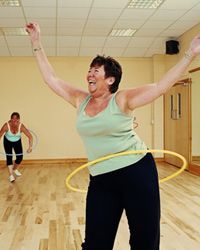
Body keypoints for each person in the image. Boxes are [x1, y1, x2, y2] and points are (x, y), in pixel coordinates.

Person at [26, 22, 200, 250]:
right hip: (101, 177)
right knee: (96, 243)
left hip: (136, 171)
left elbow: (160, 86)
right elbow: (51, 79)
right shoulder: (80, 100)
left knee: (144, 240)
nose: (89, 74)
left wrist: (189, 55)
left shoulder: (122, 100)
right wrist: (36, 42)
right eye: (89, 70)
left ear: (110, 79)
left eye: (95, 70)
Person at [0, 112, 33, 182]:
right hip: (7, 141)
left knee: (20, 157)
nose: (14, 122)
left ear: (19, 120)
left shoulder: (21, 126)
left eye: (16, 120)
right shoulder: (6, 125)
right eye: (12, 120)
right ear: (10, 119)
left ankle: (14, 169)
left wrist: (30, 147)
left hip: (17, 141)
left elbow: (30, 137)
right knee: (9, 157)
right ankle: (11, 175)